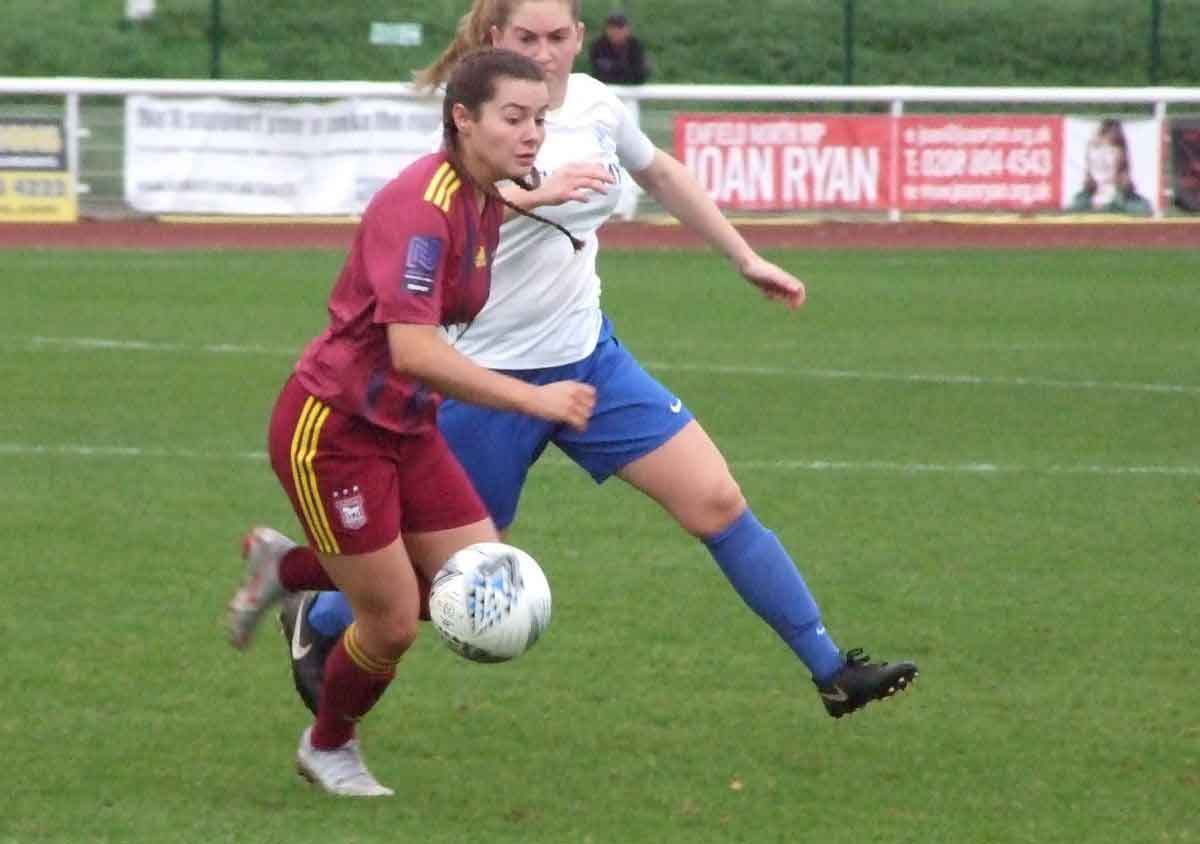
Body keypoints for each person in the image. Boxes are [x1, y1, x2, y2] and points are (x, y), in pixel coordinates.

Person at [283, 0, 918, 726]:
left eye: (559, 37)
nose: (546, 53)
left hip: (590, 362)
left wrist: (744, 257)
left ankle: (833, 670)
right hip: (488, 386)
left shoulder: (594, 105)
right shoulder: (481, 117)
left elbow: (662, 172)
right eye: (527, 37)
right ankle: (319, 610)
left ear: (580, 39)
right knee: (447, 583)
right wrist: (527, 192)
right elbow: (444, 204)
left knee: (717, 501)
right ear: (495, 41)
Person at [225, 47, 598, 798]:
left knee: (473, 580)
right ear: (464, 118)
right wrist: (536, 399)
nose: (532, 134)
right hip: (332, 431)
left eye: (541, 120)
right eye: (514, 118)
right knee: (392, 620)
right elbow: (414, 349)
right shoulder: (422, 207)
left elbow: (475, 233)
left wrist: (544, 192)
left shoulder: (485, 193)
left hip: (405, 425)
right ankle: (328, 746)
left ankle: (286, 568)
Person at [1068, 118, 1152, 215]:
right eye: (1096, 147)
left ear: (1122, 157)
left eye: (1109, 151)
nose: (1101, 159)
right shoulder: (1078, 204)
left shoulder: (1137, 207)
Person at [588, 10, 650, 85]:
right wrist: (624, 68)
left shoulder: (636, 45)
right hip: (605, 87)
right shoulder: (598, 45)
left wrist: (614, 68)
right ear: (606, 29)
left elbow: (640, 74)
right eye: (612, 27)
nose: (616, 31)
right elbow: (599, 72)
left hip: (632, 89)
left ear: (628, 29)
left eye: (620, 27)